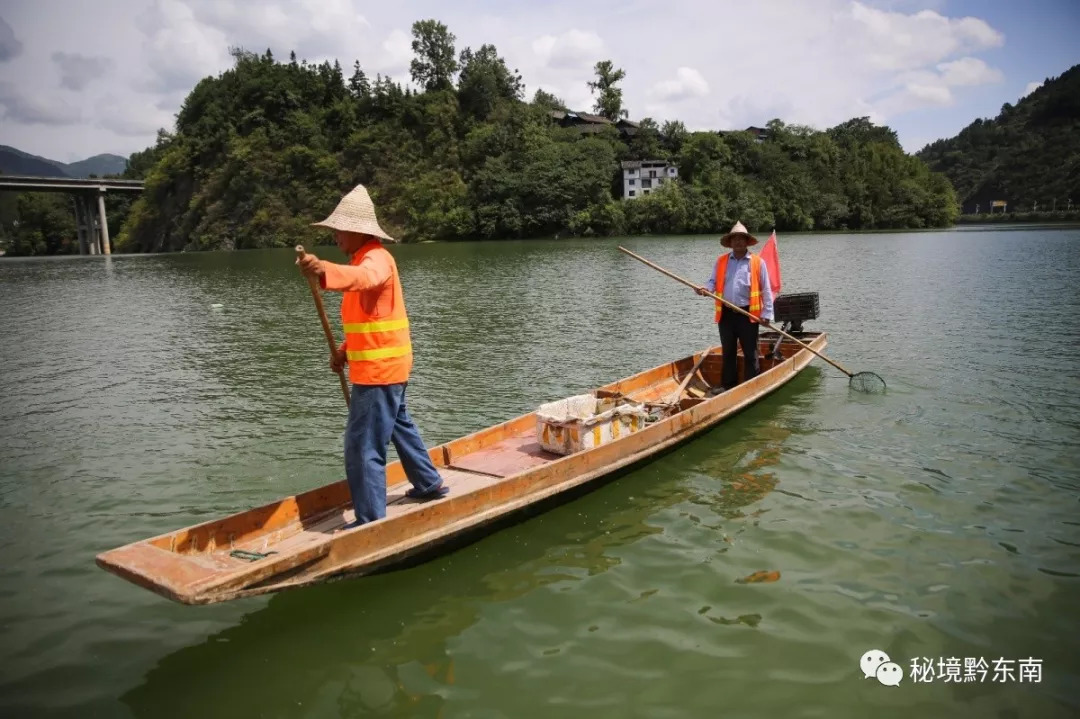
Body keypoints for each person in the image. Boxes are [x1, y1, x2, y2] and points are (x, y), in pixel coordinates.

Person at [296, 184, 447, 528]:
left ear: (356, 231)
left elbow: (363, 279)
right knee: (398, 425)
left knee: (362, 445)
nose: (334, 236)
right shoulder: (361, 260)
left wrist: (323, 271)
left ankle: (370, 523)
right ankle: (428, 482)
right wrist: (344, 352)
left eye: (338, 230)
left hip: (380, 372)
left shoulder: (375, 260)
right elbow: (368, 322)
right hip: (384, 366)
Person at [696, 221, 775, 390]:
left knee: (750, 352)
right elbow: (712, 281)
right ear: (730, 243)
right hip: (726, 314)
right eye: (734, 239)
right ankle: (728, 386)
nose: (738, 242)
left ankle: (751, 387)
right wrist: (705, 289)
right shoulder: (721, 261)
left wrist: (767, 314)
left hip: (748, 315)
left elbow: (767, 290)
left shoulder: (757, 262)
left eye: (741, 239)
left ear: (747, 242)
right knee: (728, 351)